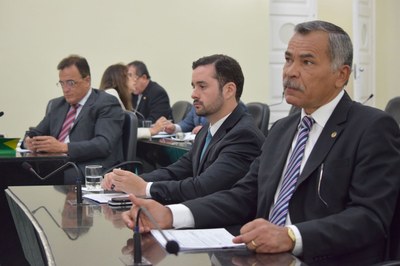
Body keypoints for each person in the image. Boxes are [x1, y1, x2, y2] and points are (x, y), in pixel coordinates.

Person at [122, 21, 400, 265]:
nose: (290, 71)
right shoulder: (282, 130)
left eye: (307, 62)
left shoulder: (371, 127)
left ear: (341, 75)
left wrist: (292, 236)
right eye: (288, 59)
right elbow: (244, 194)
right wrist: (171, 214)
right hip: (263, 257)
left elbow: (370, 218)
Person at [102, 54, 265, 204]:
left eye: (202, 86)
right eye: (194, 86)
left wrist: (144, 188)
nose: (193, 94)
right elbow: (177, 171)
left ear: (229, 90)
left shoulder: (243, 135)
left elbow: (203, 187)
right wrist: (127, 180)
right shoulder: (206, 130)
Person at [23, 55, 125, 182]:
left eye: (71, 83)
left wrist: (63, 147)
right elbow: (35, 133)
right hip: (56, 164)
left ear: (87, 80)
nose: (65, 89)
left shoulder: (105, 103)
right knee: (16, 170)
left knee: (53, 177)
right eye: (62, 83)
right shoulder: (57, 105)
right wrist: (29, 141)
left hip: (86, 167)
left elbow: (103, 144)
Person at [99, 63, 169, 139]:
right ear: (120, 79)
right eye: (129, 75)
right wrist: (152, 130)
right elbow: (122, 131)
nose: (134, 79)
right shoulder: (111, 94)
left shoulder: (116, 95)